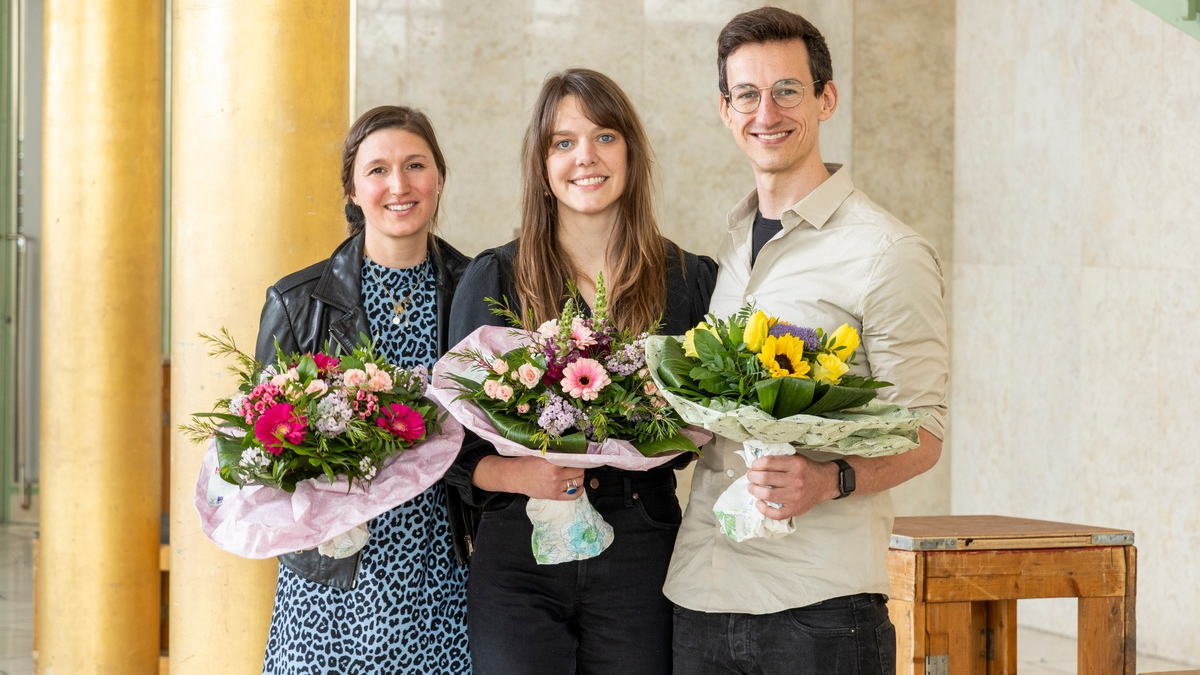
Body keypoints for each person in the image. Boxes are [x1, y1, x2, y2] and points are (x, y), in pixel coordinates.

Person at [664, 7, 949, 675]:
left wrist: (829, 478)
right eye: (747, 94)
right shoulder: (729, 249)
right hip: (702, 592)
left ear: (826, 98)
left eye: (787, 90)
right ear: (726, 110)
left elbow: (925, 432)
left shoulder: (887, 251)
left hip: (819, 606)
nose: (767, 112)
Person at [446, 68, 717, 675]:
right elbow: (452, 447)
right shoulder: (495, 277)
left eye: (605, 137)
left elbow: (715, 422)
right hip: (519, 550)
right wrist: (523, 475)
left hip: (643, 541)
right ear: (542, 165)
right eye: (563, 142)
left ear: (631, 153)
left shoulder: (689, 280)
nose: (585, 157)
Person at [255, 105, 474, 675]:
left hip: (443, 574)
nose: (399, 185)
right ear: (353, 190)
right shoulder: (296, 302)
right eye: (378, 170)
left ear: (439, 177)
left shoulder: (478, 289)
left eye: (415, 165)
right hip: (330, 581)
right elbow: (261, 453)